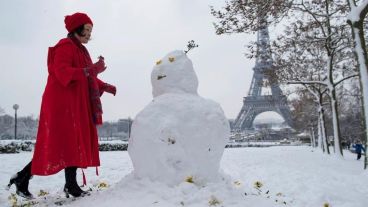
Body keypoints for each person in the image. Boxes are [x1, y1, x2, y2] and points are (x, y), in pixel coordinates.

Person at [7, 12, 117, 199]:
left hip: (74, 104)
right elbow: (62, 71)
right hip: (61, 104)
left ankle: (65, 185)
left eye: (91, 30)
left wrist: (103, 85)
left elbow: (86, 78)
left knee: (70, 144)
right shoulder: (65, 46)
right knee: (58, 145)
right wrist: (93, 69)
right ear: (77, 29)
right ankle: (27, 178)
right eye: (87, 29)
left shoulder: (81, 51)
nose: (90, 34)